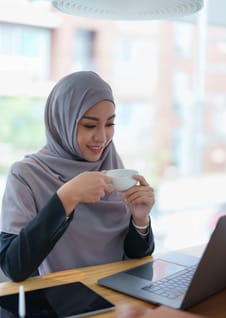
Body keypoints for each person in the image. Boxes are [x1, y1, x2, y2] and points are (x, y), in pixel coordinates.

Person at [0, 71, 155, 282]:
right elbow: (14, 267)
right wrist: (66, 198)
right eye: (90, 125)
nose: (102, 138)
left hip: (118, 296)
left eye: (109, 124)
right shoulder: (26, 175)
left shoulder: (110, 161)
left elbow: (136, 258)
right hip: (60, 303)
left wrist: (140, 219)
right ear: (62, 122)